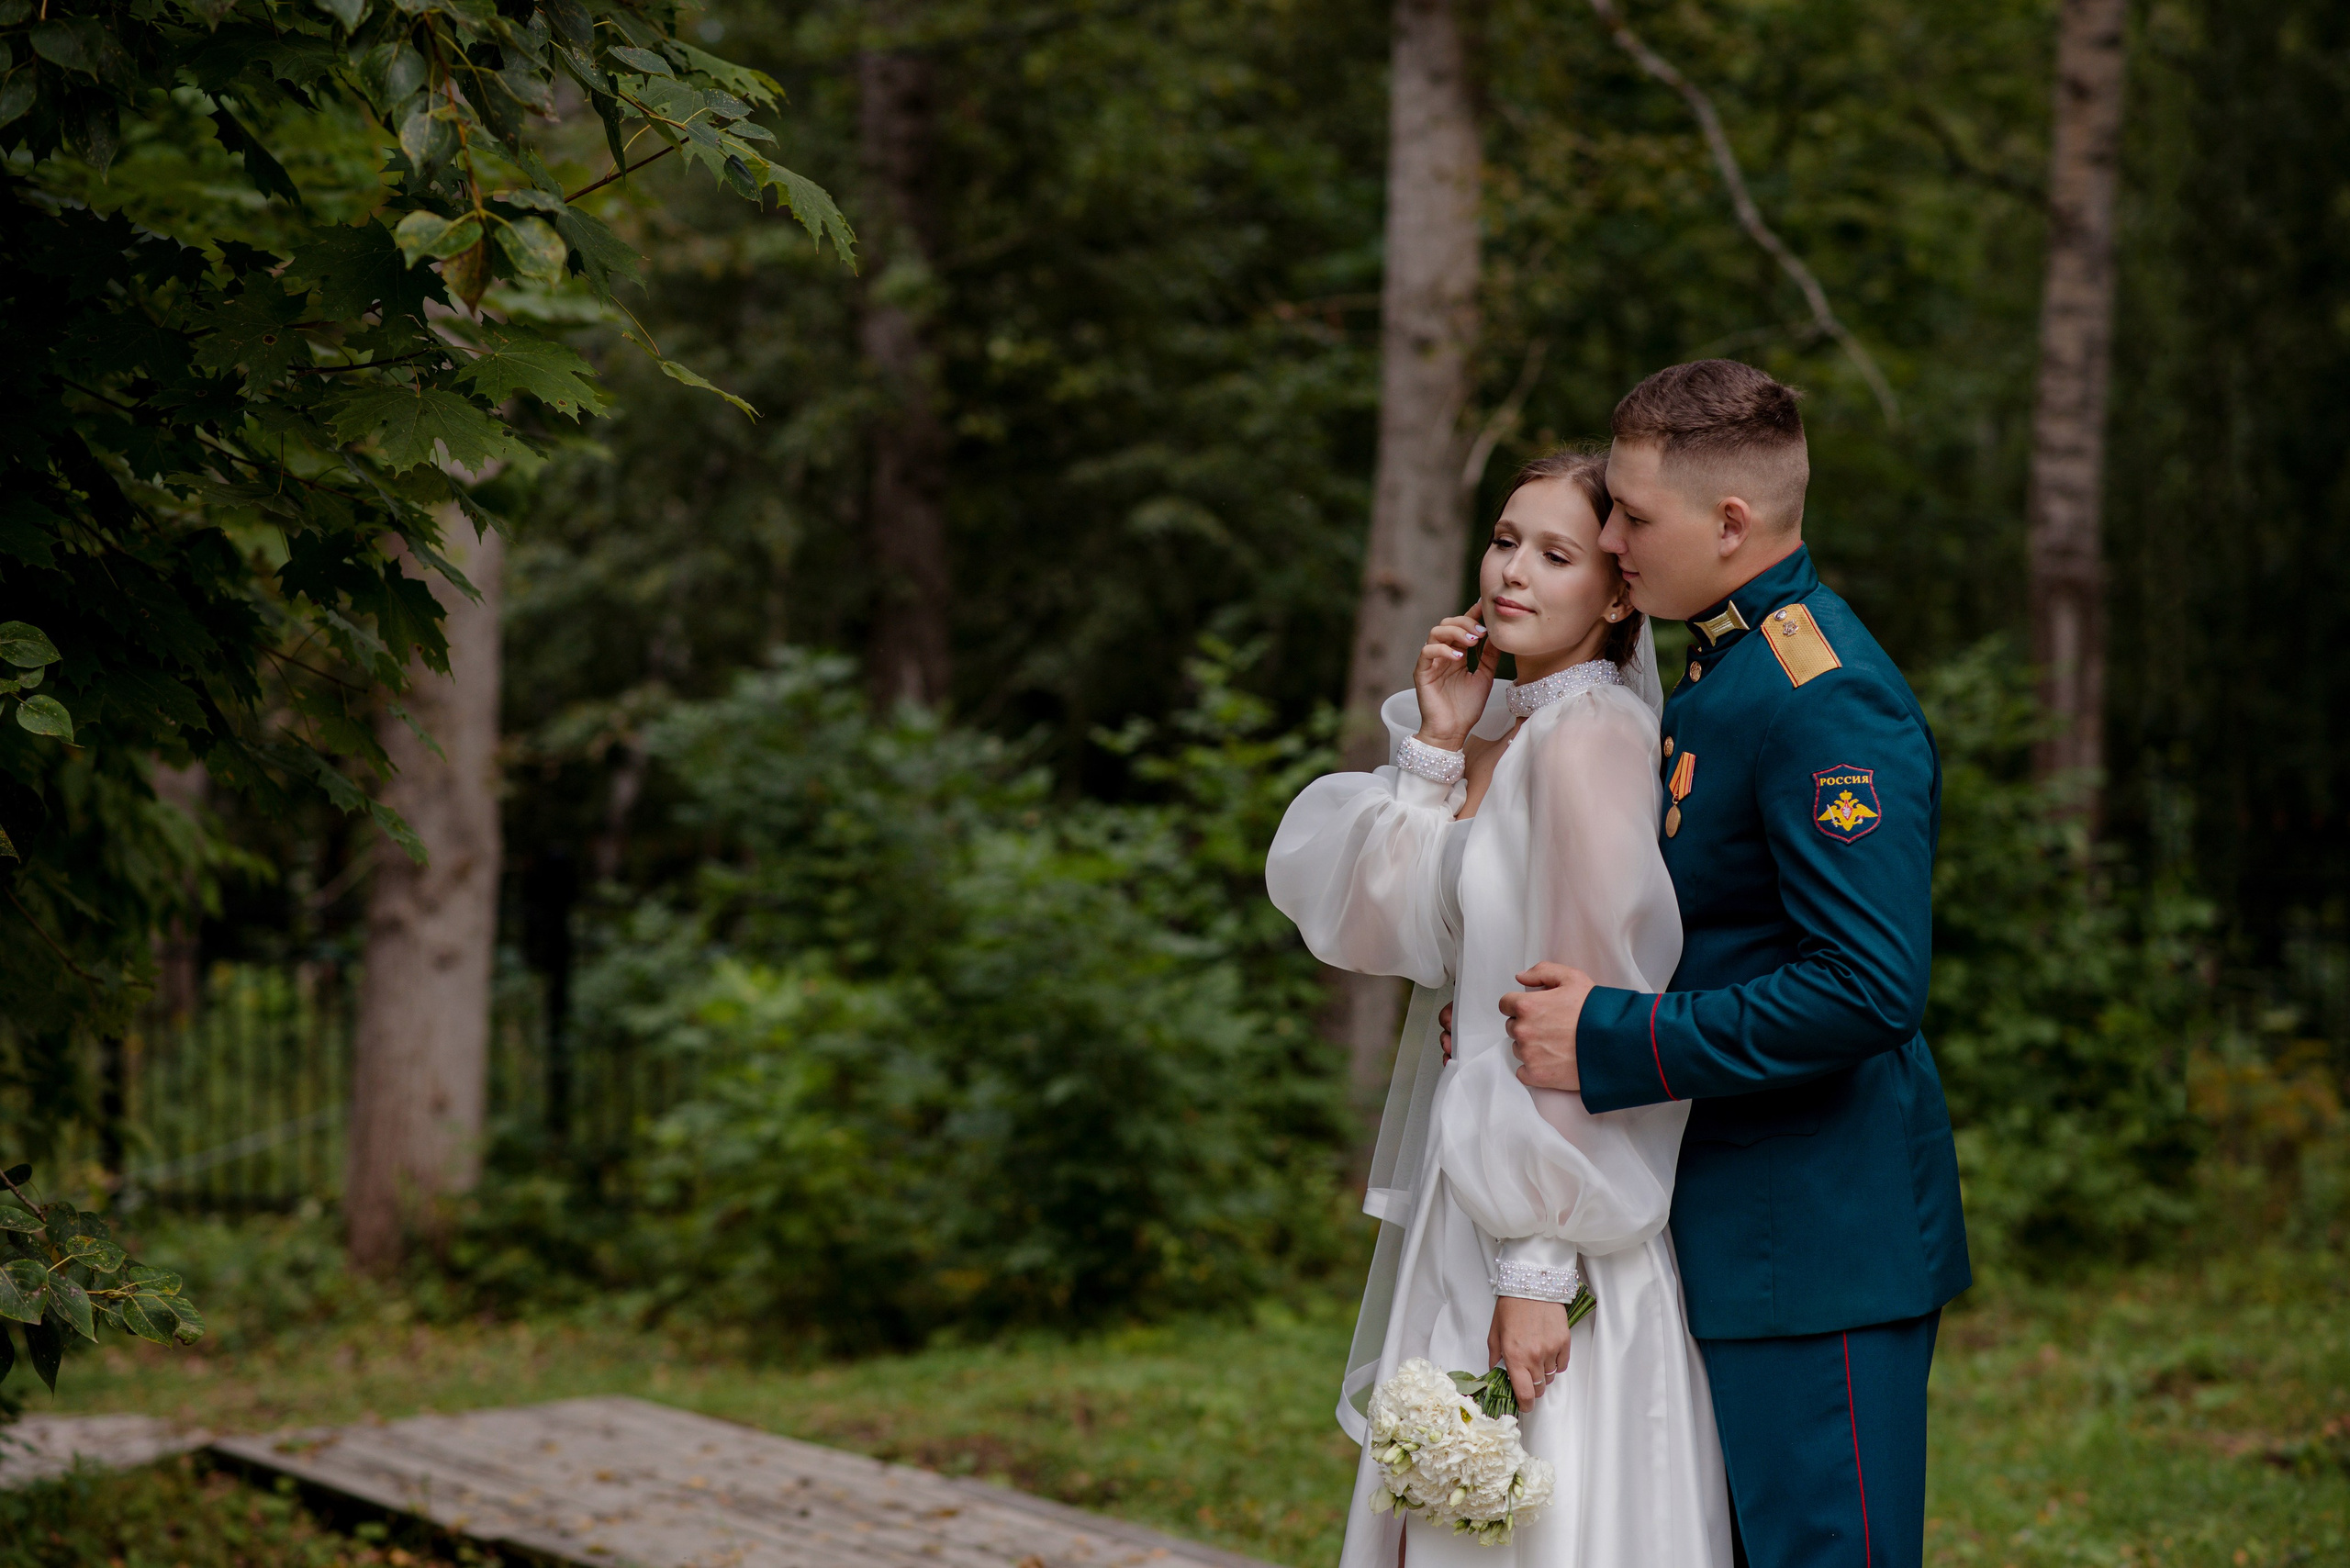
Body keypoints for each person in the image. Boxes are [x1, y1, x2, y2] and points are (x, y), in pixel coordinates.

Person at [1494, 360, 1971, 1568]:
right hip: (1731, 1229)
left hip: (1818, 1247)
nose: (1609, 535)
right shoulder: (1721, 669)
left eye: (1633, 518)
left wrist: (1612, 1039)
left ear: (1731, 523)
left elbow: (1865, 988)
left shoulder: (1824, 700)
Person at [1268, 452, 1733, 1568]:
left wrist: (1534, 1268)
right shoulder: (1515, 731)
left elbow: (1589, 1012)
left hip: (1548, 1222)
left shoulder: (1591, 741)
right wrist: (1434, 745)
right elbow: (1388, 936)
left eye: (1556, 553)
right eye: (1505, 540)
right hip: (1470, 1190)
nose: (1513, 572)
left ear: (1617, 592)